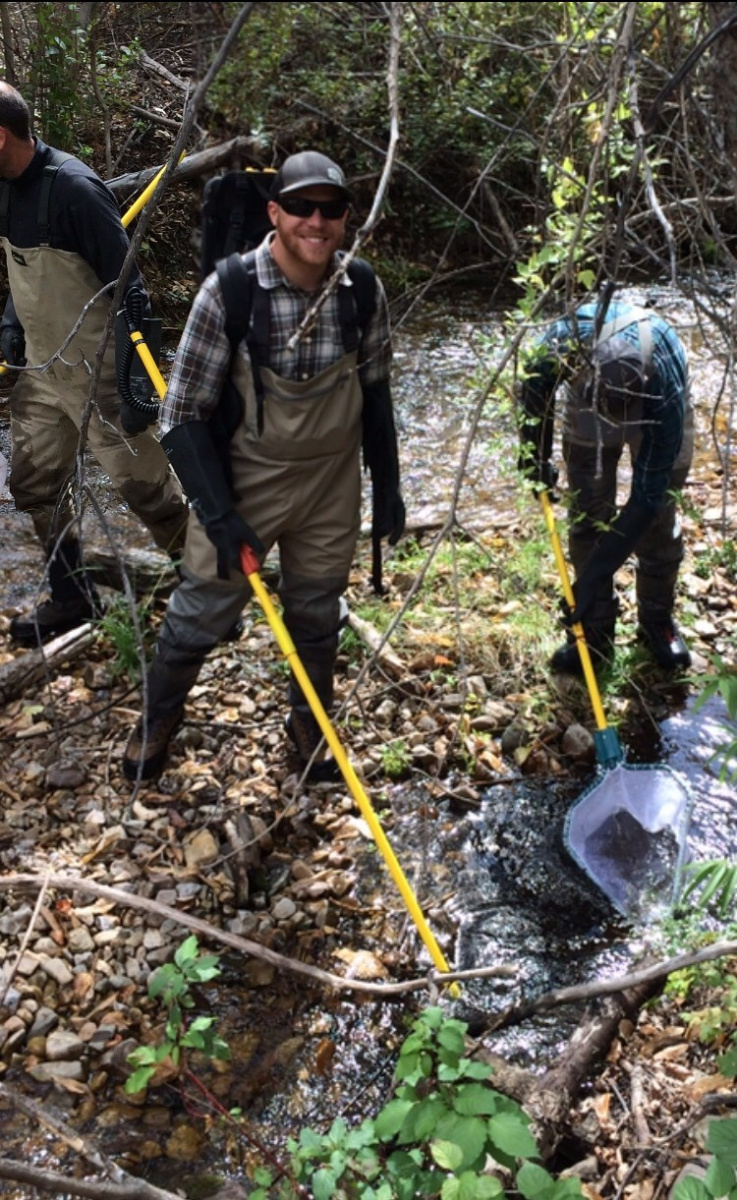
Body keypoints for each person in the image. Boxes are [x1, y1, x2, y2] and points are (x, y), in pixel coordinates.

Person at [123, 149, 404, 782]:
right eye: (300, 206)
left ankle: (308, 727)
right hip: (247, 480)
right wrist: (219, 516)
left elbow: (378, 392)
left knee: (316, 611)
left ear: (345, 219)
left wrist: (387, 486)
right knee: (198, 612)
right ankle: (158, 721)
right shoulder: (229, 291)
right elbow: (182, 414)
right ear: (274, 212)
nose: (316, 222)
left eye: (330, 210)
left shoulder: (362, 289)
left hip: (332, 483)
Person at [0, 81, 188, 645]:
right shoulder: (6, 188)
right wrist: (11, 320)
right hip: (41, 371)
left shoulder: (77, 190)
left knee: (150, 491)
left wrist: (137, 383)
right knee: (35, 486)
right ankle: (74, 595)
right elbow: (21, 263)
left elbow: (133, 292)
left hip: (100, 373)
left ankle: (209, 596)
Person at [518, 296, 693, 674]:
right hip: (586, 402)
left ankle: (656, 621)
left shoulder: (665, 383)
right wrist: (535, 458)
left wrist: (594, 574)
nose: (618, 421)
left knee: (659, 517)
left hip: (656, 407)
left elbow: (647, 497)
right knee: (587, 514)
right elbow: (534, 396)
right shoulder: (561, 345)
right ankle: (594, 631)